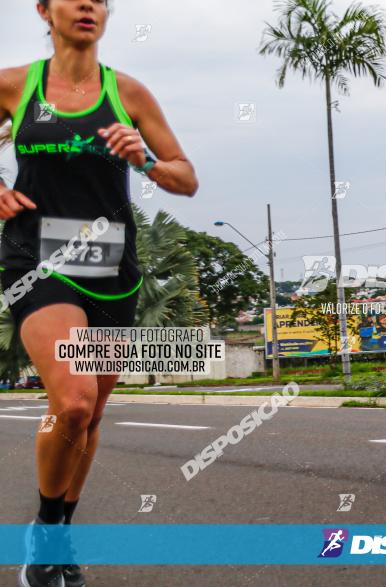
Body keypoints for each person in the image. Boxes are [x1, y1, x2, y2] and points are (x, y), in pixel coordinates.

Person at [0, 1, 197, 585]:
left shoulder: (129, 94)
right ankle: (44, 530)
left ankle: (61, 537)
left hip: (113, 271)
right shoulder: (15, 85)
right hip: (37, 262)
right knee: (75, 399)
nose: (88, 4)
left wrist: (148, 159)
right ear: (44, 7)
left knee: (89, 416)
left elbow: (186, 176)